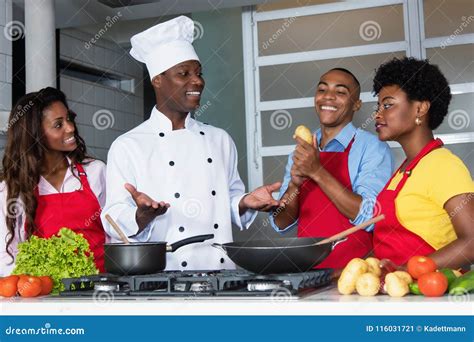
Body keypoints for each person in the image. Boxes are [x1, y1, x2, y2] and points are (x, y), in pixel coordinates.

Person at [101, 16, 280, 271]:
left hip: (222, 275)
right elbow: (111, 217)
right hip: (165, 278)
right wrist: (141, 216)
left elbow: (224, 202)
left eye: (198, 73)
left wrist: (244, 202)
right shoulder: (129, 145)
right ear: (158, 80)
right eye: (183, 74)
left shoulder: (220, 140)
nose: (197, 81)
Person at [270, 68, 394, 269]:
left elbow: (371, 216)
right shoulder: (302, 150)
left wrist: (317, 172)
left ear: (357, 104)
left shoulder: (373, 148)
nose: (328, 96)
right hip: (307, 274)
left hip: (356, 276)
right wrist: (294, 186)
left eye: (341, 92)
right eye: (322, 89)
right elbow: (281, 223)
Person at [372, 57, 474, 269]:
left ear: (420, 109)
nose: (378, 114)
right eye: (378, 106)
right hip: (397, 294)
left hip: (431, 297)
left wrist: (407, 270)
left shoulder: (443, 165)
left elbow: (471, 242)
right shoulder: (403, 170)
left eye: (388, 105)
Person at [0, 87, 107, 275]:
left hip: (102, 287)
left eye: (69, 119)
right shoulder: (12, 188)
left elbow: (116, 233)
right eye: (58, 125)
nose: (71, 128)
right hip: (45, 297)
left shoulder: (95, 171)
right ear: (35, 135)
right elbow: (7, 255)